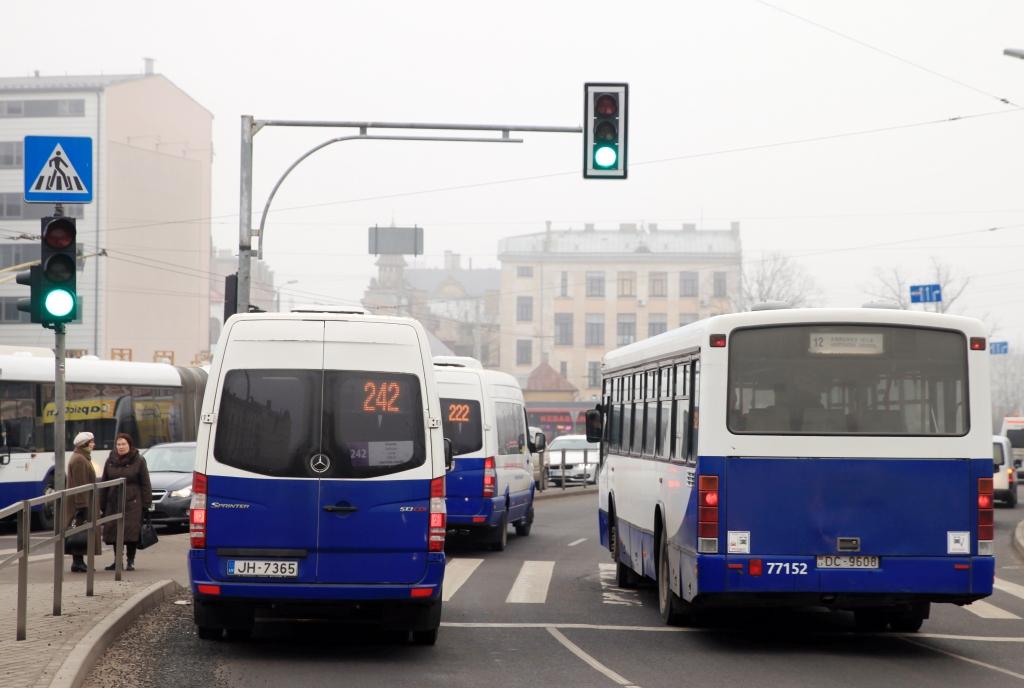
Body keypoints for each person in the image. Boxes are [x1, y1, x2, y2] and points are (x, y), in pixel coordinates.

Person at [101, 433, 151, 571]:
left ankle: (130, 560)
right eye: (118, 444)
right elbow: (104, 482)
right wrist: (101, 503)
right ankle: (117, 561)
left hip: (133, 502)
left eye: (123, 444)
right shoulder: (110, 460)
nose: (121, 447)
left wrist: (146, 504)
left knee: (131, 532)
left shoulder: (139, 460)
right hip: (113, 501)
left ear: (130, 445)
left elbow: (145, 483)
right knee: (114, 532)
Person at [65, 431, 100, 573]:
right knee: (80, 531)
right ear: (85, 444)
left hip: (82, 501)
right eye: (91, 442)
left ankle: (78, 561)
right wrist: (82, 506)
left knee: (79, 531)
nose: (94, 444)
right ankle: (78, 562)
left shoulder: (81, 457)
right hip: (81, 502)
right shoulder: (80, 459)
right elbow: (80, 485)